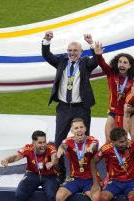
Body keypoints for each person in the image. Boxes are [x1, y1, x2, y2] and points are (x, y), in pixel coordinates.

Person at [42, 31, 98, 182]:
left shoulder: (85, 63)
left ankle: (88, 172)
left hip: (81, 107)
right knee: (58, 141)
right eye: (70, 51)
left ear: (81, 52)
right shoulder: (61, 62)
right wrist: (47, 40)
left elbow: (96, 60)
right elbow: (47, 55)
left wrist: (91, 44)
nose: (72, 53)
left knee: (85, 140)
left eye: (75, 51)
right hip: (63, 107)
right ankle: (61, 173)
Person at [2, 131, 59, 201]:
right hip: (32, 174)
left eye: (44, 142)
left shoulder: (50, 147)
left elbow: (55, 157)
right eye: (40, 142)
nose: (43, 145)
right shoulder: (28, 148)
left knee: (51, 196)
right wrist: (7, 160)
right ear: (33, 143)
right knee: (19, 194)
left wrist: (52, 163)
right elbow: (16, 156)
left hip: (49, 175)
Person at [54, 118, 100, 201]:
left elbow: (95, 146)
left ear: (85, 129)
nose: (79, 130)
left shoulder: (92, 140)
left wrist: (91, 148)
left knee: (97, 198)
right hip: (74, 179)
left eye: (81, 127)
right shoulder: (67, 141)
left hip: (90, 179)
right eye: (76, 128)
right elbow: (63, 145)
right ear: (71, 130)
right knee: (59, 197)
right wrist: (61, 149)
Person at [93, 41, 134, 142]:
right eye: (120, 62)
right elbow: (103, 64)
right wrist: (99, 55)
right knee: (109, 141)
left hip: (128, 115)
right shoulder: (111, 74)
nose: (121, 64)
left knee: (131, 141)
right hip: (113, 113)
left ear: (130, 66)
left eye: (125, 62)